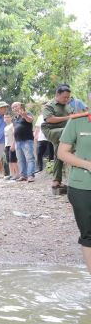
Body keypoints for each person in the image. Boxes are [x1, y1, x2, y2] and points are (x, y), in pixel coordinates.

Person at [57, 112, 91, 273]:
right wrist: (87, 164)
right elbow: (62, 153)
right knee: (88, 235)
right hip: (82, 187)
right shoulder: (78, 121)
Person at [41, 84, 75, 194]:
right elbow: (49, 119)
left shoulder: (67, 105)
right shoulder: (49, 105)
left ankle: (56, 181)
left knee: (58, 154)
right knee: (70, 139)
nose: (66, 99)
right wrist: (68, 117)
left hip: (64, 132)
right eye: (64, 97)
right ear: (57, 94)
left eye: (68, 97)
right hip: (51, 131)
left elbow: (73, 116)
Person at [12, 102, 36, 182]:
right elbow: (15, 131)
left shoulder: (27, 113)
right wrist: (13, 143)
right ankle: (23, 175)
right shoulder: (15, 118)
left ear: (21, 106)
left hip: (27, 140)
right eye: (13, 107)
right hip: (17, 141)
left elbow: (30, 120)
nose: (15, 108)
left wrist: (24, 115)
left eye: (16, 106)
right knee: (20, 159)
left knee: (29, 158)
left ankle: (30, 175)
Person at [4, 113, 19, 180]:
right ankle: (11, 174)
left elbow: (15, 135)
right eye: (5, 117)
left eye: (8, 117)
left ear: (11, 118)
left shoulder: (12, 125)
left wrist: (13, 144)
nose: (6, 119)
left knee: (13, 160)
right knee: (9, 160)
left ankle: (17, 174)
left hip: (12, 145)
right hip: (7, 145)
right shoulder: (6, 127)